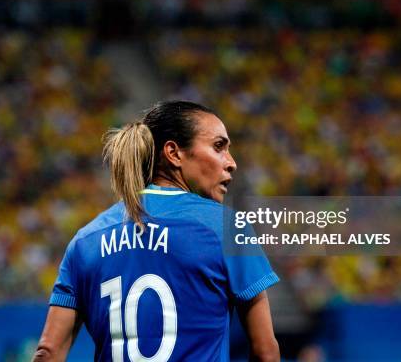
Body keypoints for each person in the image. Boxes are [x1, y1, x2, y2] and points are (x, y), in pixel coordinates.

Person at [33, 101, 280, 361]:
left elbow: (47, 352)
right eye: (219, 147)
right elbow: (266, 351)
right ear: (174, 153)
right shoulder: (226, 227)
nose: (231, 163)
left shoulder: (85, 241)